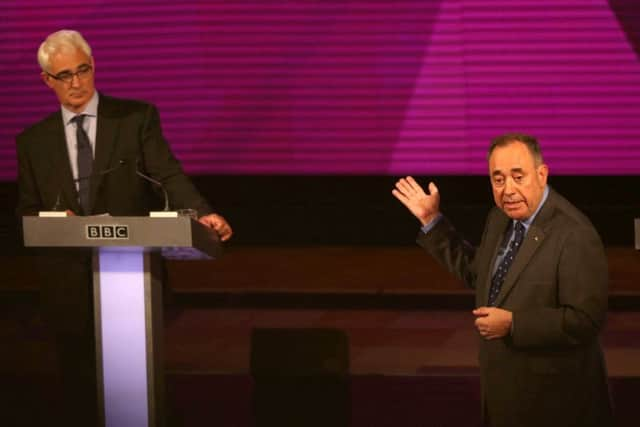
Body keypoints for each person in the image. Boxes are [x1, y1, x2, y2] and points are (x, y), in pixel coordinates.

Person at [15, 29, 232, 425]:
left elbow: (167, 175)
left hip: (132, 278)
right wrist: (52, 222)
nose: (77, 82)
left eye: (84, 70)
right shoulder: (32, 142)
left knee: (136, 386)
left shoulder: (135, 119)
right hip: (67, 281)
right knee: (79, 388)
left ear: (94, 67)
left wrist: (201, 212)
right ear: (47, 80)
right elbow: (27, 212)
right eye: (65, 75)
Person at [392, 134, 613, 427]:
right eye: (498, 179)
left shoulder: (574, 234)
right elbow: (478, 273)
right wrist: (431, 220)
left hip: (555, 403)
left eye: (518, 177)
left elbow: (586, 320)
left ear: (542, 174)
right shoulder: (499, 219)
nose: (508, 189)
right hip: (506, 395)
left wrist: (513, 324)